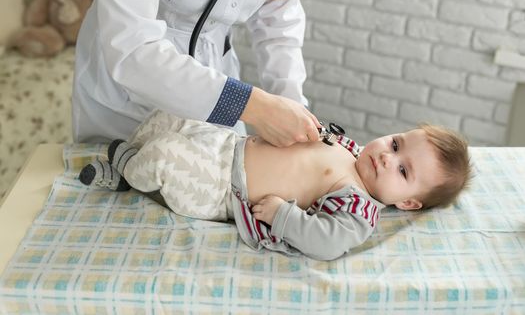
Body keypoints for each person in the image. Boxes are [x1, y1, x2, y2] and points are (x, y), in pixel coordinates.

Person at [78, 110, 472, 261]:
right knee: (166, 117)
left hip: (222, 186)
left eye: (403, 171)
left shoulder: (359, 208)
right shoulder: (350, 150)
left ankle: (125, 170)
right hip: (226, 144)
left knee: (164, 156)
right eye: (396, 143)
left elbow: (327, 242)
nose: (388, 156)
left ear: (408, 204)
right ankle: (131, 161)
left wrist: (283, 216)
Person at [72, 0, 321, 147]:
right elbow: (133, 47)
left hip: (215, 73)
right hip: (127, 92)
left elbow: (279, 30)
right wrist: (252, 106)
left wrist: (294, 112)